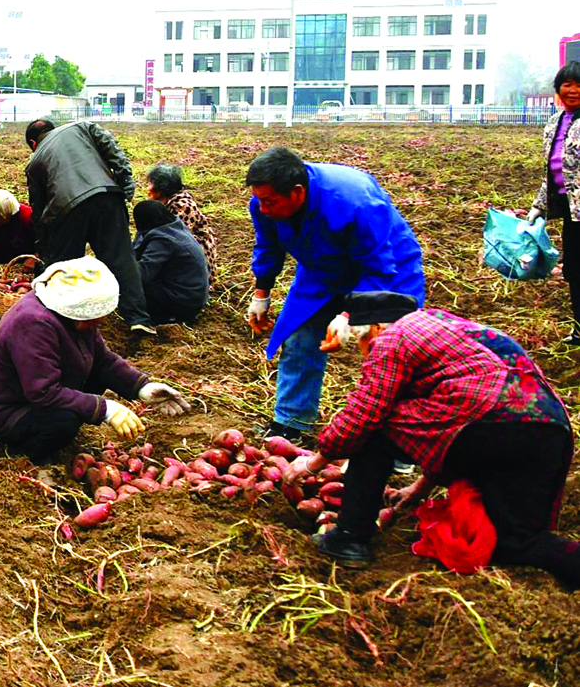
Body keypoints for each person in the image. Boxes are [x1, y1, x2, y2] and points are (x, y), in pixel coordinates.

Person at [285, 292, 579, 587]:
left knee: (373, 430)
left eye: (362, 344)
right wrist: (421, 486)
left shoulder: (392, 337)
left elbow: (366, 413)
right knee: (518, 541)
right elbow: (443, 417)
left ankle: (349, 538)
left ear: (374, 328)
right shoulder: (445, 325)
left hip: (489, 423)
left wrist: (314, 463)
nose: (366, 352)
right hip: (548, 430)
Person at [245, 146, 426, 443]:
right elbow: (269, 246)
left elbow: (379, 266)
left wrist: (349, 314)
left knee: (390, 351)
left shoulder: (353, 202)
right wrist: (261, 293)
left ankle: (397, 445)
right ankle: (292, 423)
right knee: (300, 336)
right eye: (258, 199)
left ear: (298, 192)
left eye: (269, 201)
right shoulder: (263, 204)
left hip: (387, 269)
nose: (263, 208)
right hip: (322, 268)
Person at [0, 259, 186, 463]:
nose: (103, 320)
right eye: (99, 314)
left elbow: (103, 361)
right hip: (7, 410)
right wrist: (105, 410)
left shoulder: (74, 317)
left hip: (35, 395)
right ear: (82, 308)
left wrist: (142, 388)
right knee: (64, 423)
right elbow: (43, 392)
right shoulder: (33, 324)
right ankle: (23, 453)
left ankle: (48, 433)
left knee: (97, 377)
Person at [24, 118, 152, 334]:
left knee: (65, 265)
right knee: (121, 258)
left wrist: (43, 246)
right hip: (106, 196)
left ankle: (66, 321)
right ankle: (138, 318)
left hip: (66, 210)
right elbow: (114, 151)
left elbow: (38, 208)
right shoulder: (82, 126)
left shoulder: (35, 161)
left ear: (33, 143)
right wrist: (125, 183)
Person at [527, 61, 580, 343]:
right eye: (567, 84)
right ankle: (579, 329)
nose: (572, 90)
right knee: (574, 270)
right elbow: (553, 170)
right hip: (573, 212)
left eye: (578, 85)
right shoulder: (554, 123)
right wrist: (540, 205)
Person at [131, 199, 209, 324]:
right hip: (192, 295)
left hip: (185, 301)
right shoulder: (172, 227)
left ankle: (159, 318)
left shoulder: (163, 240)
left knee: (131, 286)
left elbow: (142, 275)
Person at [144, 162, 219, 271]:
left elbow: (175, 239)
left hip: (196, 262)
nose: (148, 188)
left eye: (151, 183)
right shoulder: (163, 203)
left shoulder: (183, 207)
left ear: (162, 187)